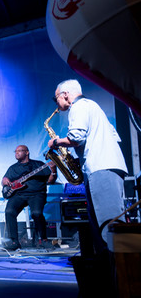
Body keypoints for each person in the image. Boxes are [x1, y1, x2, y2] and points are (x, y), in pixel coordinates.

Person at [48, 79, 128, 253]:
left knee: (108, 222)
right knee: (106, 221)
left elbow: (76, 137)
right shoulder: (92, 106)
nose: (57, 104)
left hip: (101, 168)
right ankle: (113, 267)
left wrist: (56, 142)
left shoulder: (79, 107)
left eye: (57, 99)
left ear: (65, 95)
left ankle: (118, 270)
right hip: (106, 166)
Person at [2, 145, 57, 250]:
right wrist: (5, 181)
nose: (16, 153)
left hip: (37, 194)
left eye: (19, 151)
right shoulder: (13, 168)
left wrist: (53, 170)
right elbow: (4, 179)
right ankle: (14, 242)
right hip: (19, 194)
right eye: (15, 151)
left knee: (36, 213)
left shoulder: (38, 165)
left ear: (27, 152)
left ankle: (43, 240)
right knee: (9, 211)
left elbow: (50, 180)